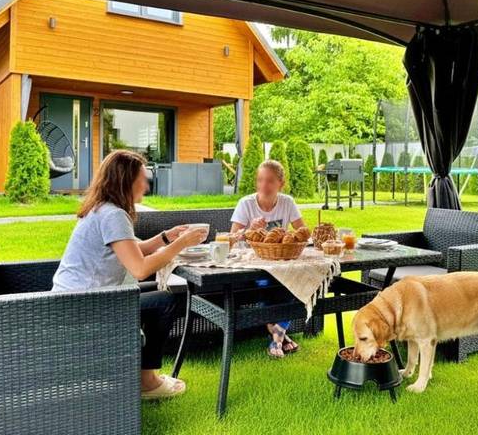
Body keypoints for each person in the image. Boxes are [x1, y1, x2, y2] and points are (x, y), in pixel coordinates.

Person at [52, 150, 208, 400]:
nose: (146, 185)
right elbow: (140, 269)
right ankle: (147, 382)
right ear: (126, 181)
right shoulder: (113, 215)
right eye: (142, 179)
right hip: (84, 305)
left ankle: (144, 375)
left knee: (160, 291)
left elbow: (133, 250)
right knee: (168, 301)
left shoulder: (102, 209)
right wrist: (181, 243)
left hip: (73, 298)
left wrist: (166, 237)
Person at [231, 159, 307, 358]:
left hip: (280, 262)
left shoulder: (287, 202)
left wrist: (298, 236)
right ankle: (280, 336)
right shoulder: (246, 203)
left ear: (281, 183)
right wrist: (250, 230)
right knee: (268, 283)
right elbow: (231, 239)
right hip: (252, 264)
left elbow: (302, 232)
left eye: (270, 181)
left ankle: (277, 336)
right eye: (260, 180)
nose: (264, 185)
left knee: (297, 280)